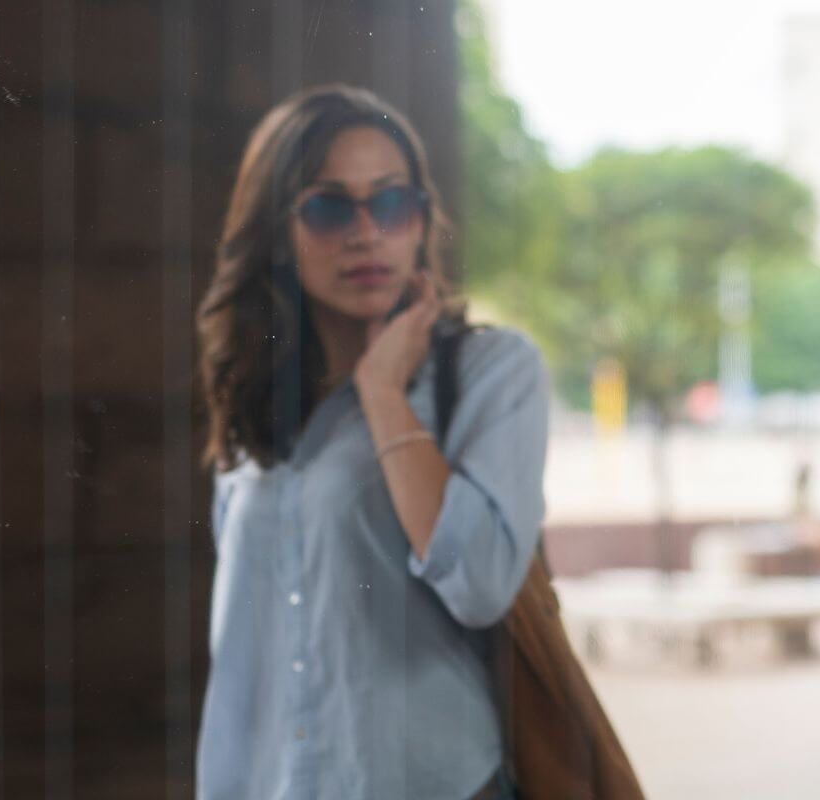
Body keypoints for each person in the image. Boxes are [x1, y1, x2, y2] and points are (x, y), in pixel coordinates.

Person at [195, 84, 548, 799]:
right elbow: (239, 664)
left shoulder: (489, 371)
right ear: (277, 232)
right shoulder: (255, 405)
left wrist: (383, 393)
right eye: (328, 207)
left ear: (420, 219)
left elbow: (481, 584)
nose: (366, 234)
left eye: (391, 202)